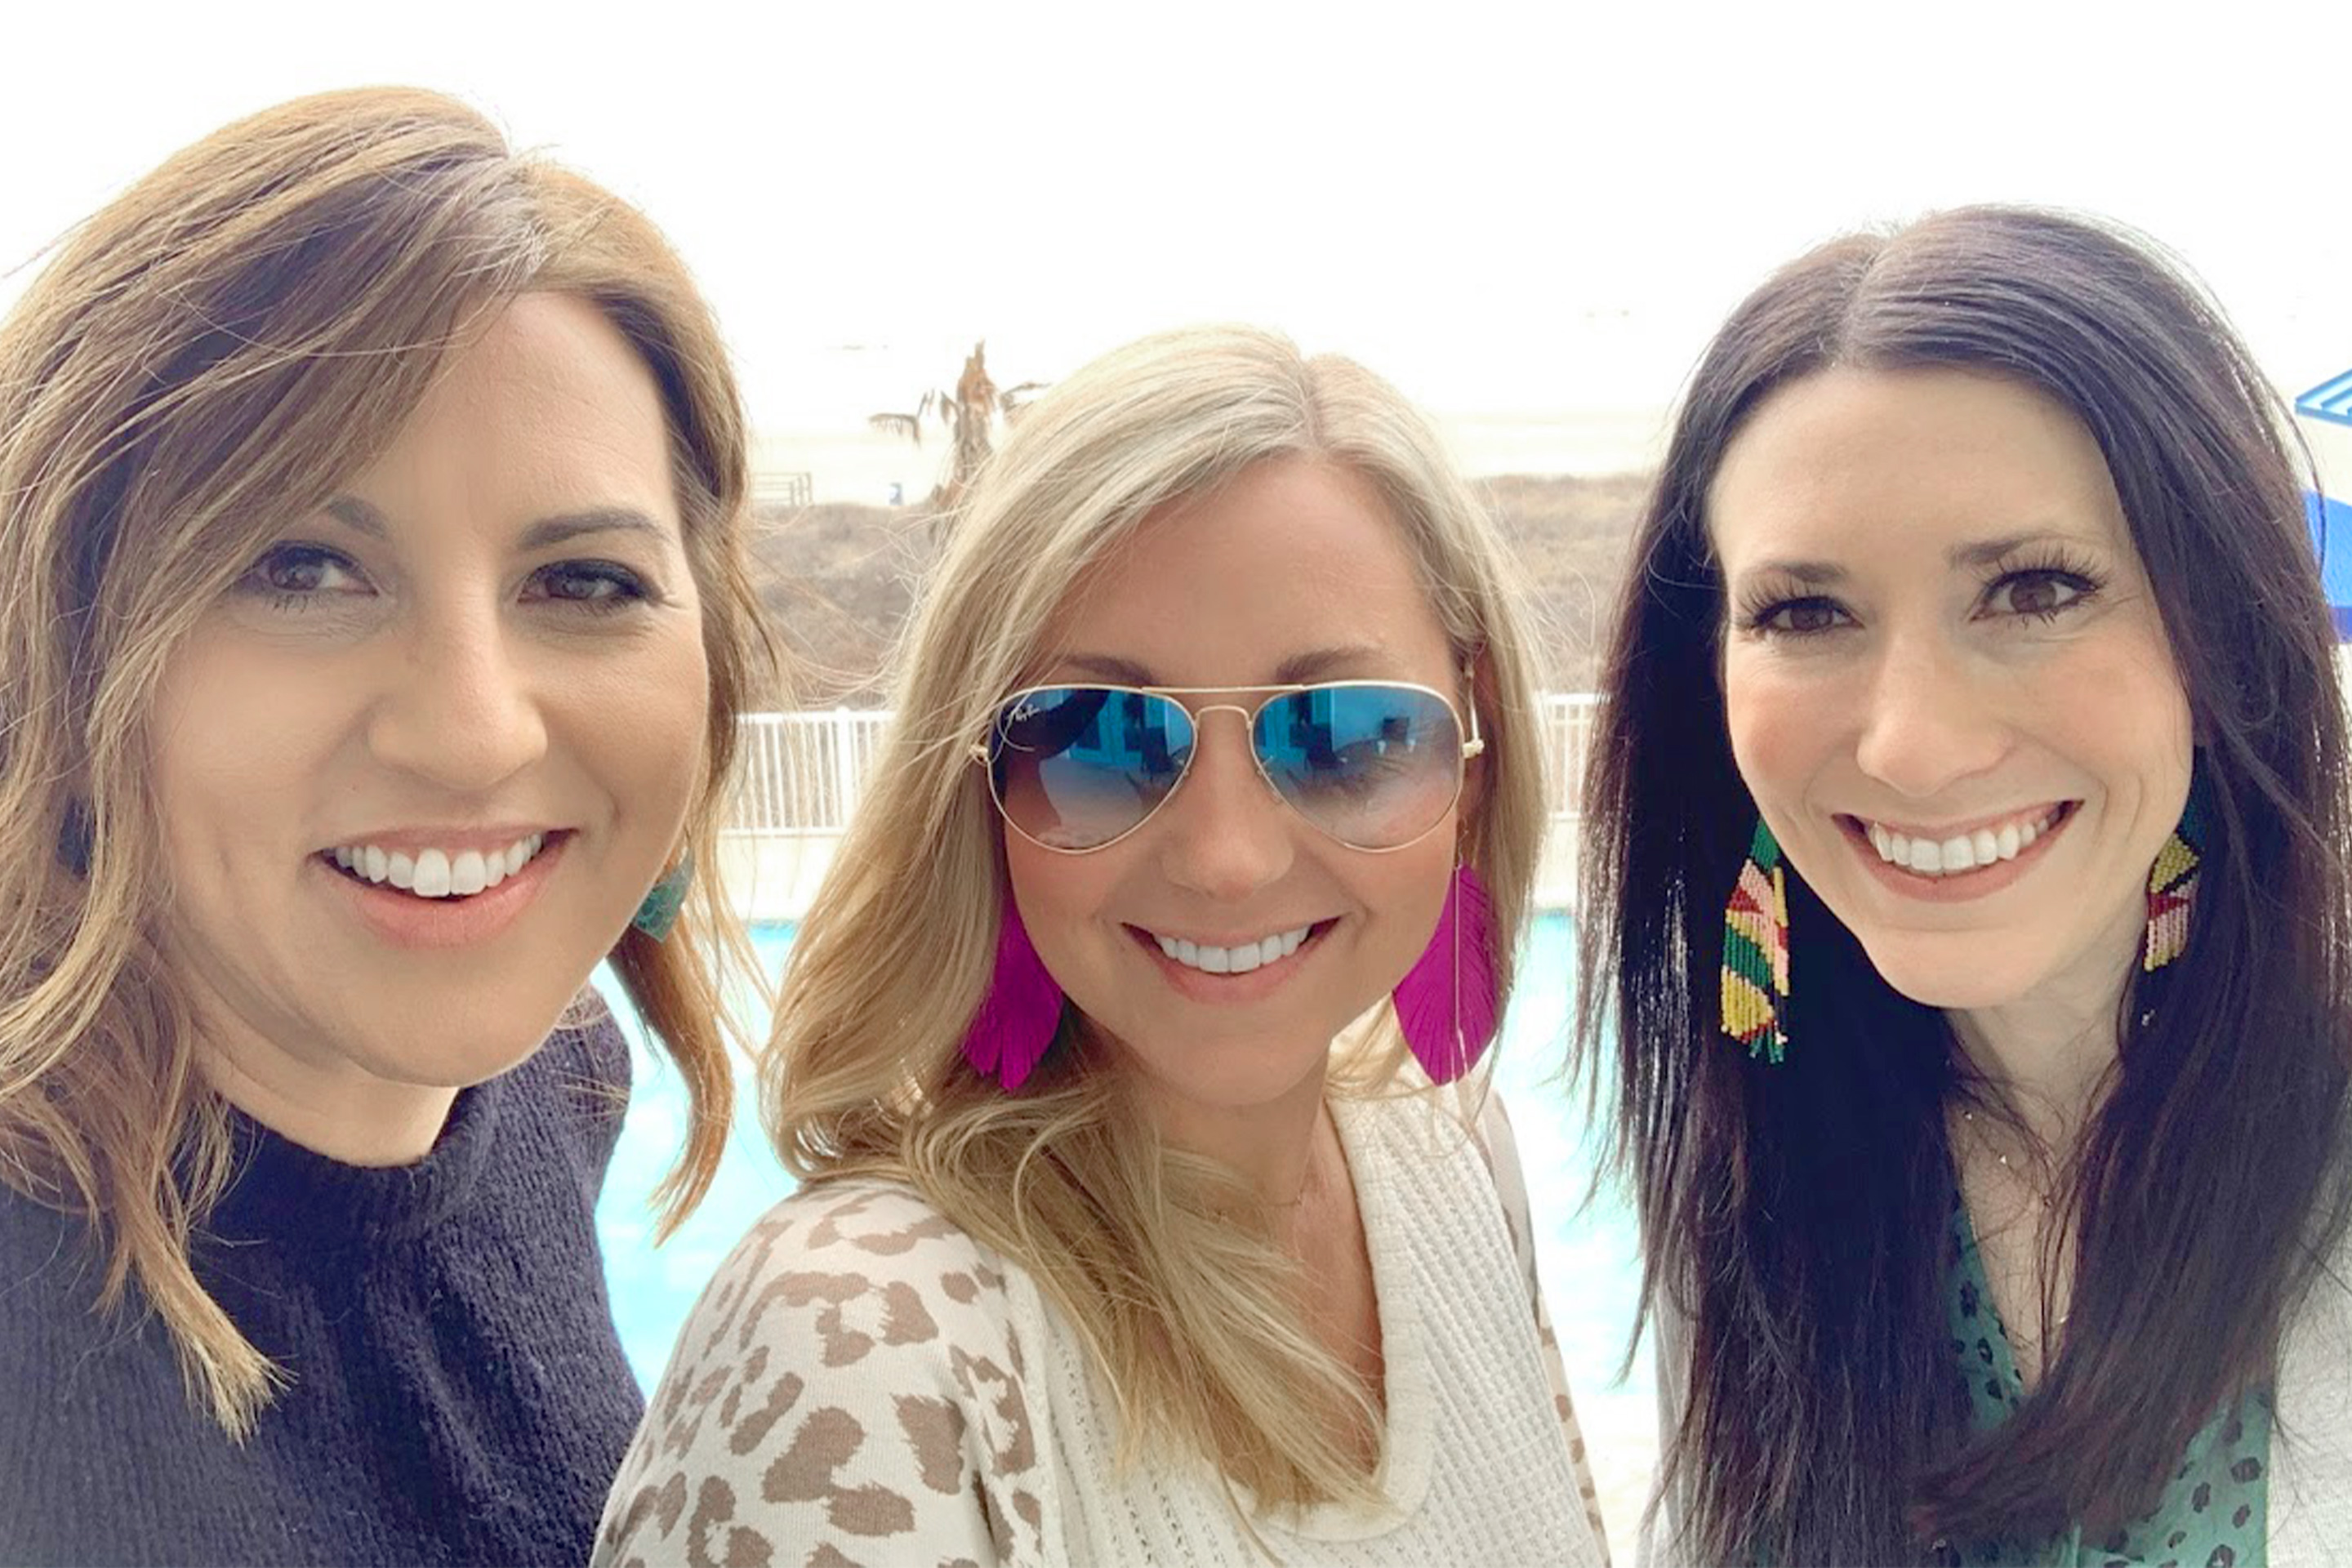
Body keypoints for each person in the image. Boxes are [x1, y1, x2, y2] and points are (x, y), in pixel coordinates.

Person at [598, 325, 1610, 1566]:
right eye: (1100, 739)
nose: (1226, 856)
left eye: (1342, 735)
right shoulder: (860, 1346)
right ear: (983, 786)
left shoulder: (1459, 1169)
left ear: (1475, 740)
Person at [0, 87, 776, 1565]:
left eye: (586, 583)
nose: (474, 729)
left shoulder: (560, 1088)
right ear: (67, 638)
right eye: (300, 568)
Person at [1580, 205, 2352, 1566]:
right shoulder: (1762, 1157)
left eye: (2036, 588)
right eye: (1805, 614)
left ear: (2219, 635)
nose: (1914, 747)